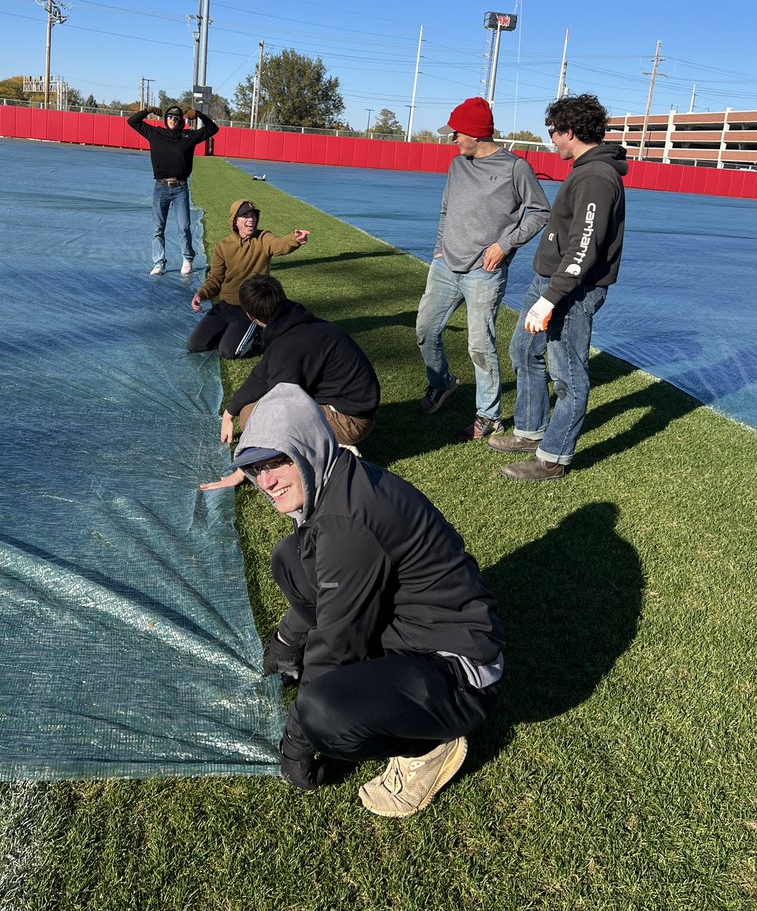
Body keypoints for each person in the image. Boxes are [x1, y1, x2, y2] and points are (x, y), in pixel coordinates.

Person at [232, 383, 504, 818]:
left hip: (460, 668)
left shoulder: (346, 523)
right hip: (412, 626)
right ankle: (369, 687)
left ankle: (428, 748)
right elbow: (319, 585)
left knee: (323, 712)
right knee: (290, 559)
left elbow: (335, 648)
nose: (266, 481)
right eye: (255, 467)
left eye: (279, 461)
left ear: (307, 448)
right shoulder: (336, 478)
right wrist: (287, 643)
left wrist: (296, 746)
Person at [489, 93, 628, 481]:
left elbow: (584, 247)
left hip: (572, 289)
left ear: (569, 131)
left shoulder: (597, 177)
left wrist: (550, 298)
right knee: (523, 350)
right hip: (550, 281)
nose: (551, 139)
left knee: (568, 374)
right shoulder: (586, 170)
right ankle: (531, 431)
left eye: (553, 132)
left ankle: (553, 457)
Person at [416, 96, 549, 439]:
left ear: (475, 134)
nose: (452, 139)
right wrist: (438, 249)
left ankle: (489, 416)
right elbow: (447, 209)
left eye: (457, 133)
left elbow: (540, 213)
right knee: (425, 330)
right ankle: (442, 382)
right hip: (446, 265)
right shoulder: (458, 164)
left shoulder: (516, 168)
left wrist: (504, 246)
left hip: (483, 272)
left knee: (479, 344)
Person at [200, 274, 381, 491]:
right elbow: (261, 375)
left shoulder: (286, 347)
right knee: (247, 411)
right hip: (352, 407)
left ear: (249, 315)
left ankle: (335, 452)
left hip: (350, 421)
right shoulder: (297, 323)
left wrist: (243, 470)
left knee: (251, 416)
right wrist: (231, 410)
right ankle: (321, 440)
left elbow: (279, 410)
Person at [187, 201, 309, 359]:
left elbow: (280, 245)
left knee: (229, 352)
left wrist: (295, 239)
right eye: (245, 216)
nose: (251, 219)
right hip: (225, 306)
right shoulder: (222, 247)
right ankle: (234, 332)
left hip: (251, 308)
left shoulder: (264, 238)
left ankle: (260, 332)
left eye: (253, 215)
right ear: (235, 221)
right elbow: (215, 279)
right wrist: (201, 295)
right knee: (195, 345)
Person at [127, 102, 219, 276]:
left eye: (176, 118)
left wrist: (198, 114)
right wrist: (147, 111)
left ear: (181, 121)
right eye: (170, 117)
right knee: (158, 227)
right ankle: (159, 263)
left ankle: (187, 258)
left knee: (184, 226)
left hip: (180, 188)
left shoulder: (189, 136)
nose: (173, 120)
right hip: (160, 187)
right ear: (165, 119)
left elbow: (213, 129)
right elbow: (132, 122)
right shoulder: (155, 133)